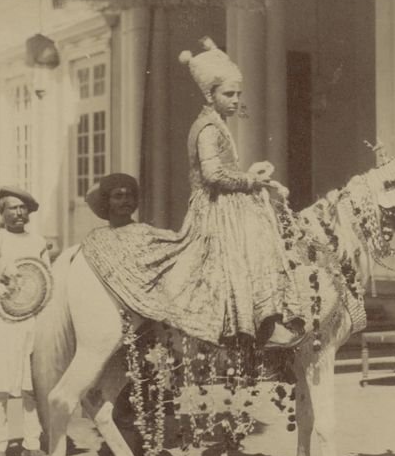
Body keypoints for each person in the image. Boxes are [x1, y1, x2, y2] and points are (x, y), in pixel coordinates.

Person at [80, 37, 305, 347]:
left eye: (238, 94)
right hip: (215, 210)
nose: (235, 100)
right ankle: (263, 326)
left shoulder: (217, 124)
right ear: (210, 95)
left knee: (261, 240)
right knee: (251, 250)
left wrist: (253, 176)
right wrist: (251, 180)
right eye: (228, 94)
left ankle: (266, 320)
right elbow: (213, 174)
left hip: (227, 204)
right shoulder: (208, 128)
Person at [0, 186, 50, 456]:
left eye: (22, 208)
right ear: (1, 212)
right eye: (12, 208)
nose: (18, 213)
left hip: (33, 321)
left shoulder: (38, 242)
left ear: (28, 212)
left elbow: (47, 284)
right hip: (1, 322)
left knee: (32, 386)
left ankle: (32, 445)